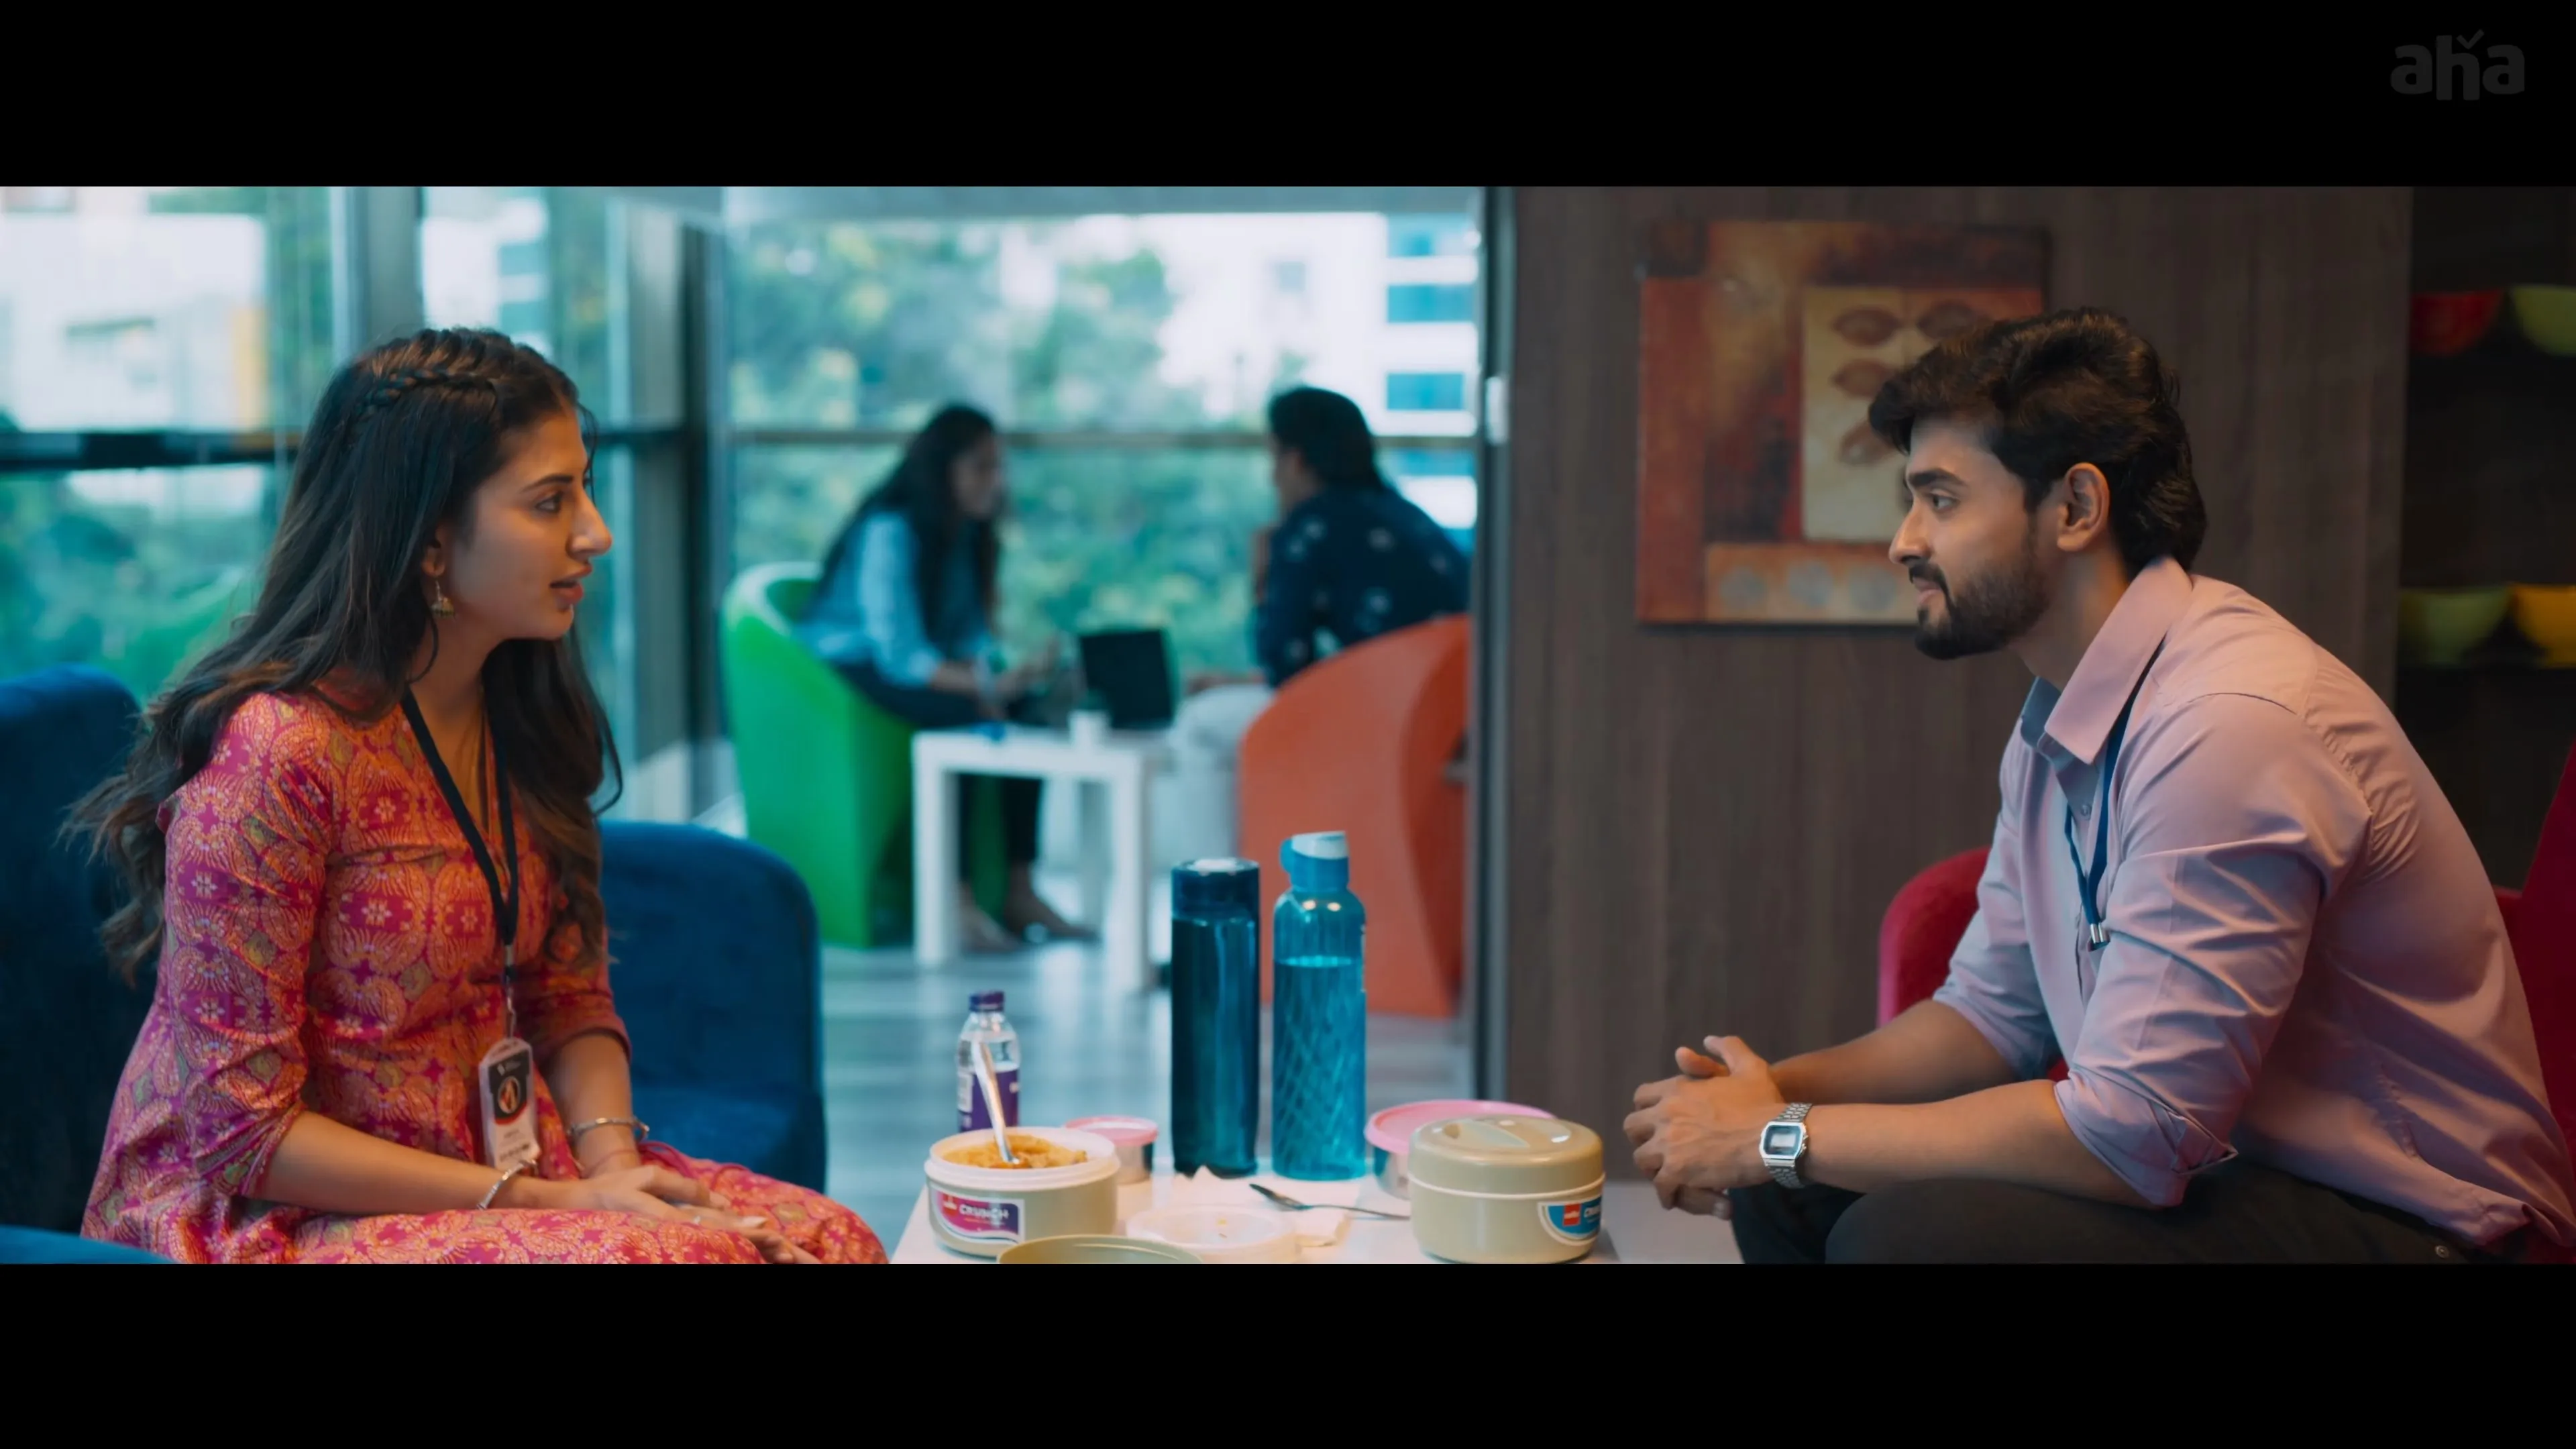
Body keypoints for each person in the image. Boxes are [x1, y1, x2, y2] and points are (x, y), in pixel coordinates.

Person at [1623, 307, 2575, 1265]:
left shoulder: (2230, 723)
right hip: (2234, 1176)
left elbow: (2135, 1135)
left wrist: (1775, 1135)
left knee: (1899, 1233)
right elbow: (1988, 1018)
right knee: (1796, 1195)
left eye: (1941, 499)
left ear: (2076, 507)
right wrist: (1766, 1101)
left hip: (2421, 1222)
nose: (1904, 541)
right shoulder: (2060, 717)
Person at [73, 328, 881, 1263]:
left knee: (833, 1237)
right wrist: (552, 1202)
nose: (597, 533)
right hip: (275, 1211)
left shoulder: (517, 706)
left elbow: (567, 996)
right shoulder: (277, 753)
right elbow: (242, 1133)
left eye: (585, 488)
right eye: (550, 501)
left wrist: (614, 1174)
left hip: (491, 1172)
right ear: (429, 540)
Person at [796, 405, 1087, 951]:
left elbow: (972, 637)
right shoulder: (890, 530)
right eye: (981, 467)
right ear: (942, 469)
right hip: (852, 663)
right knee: (966, 718)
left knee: (1026, 711)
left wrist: (1005, 680)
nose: (995, 481)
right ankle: (956, 900)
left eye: (998, 466)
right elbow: (899, 655)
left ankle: (1020, 889)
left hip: (923, 664)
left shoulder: (967, 535)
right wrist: (981, 689)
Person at [1164, 387, 1469, 862]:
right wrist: (1245, 681)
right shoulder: (1407, 517)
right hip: (1450, 719)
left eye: (1273, 458)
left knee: (1199, 726)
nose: (1271, 478)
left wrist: (1263, 579)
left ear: (1297, 460)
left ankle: (1222, 889)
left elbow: (1284, 664)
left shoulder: (1310, 526)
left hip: (1383, 720)